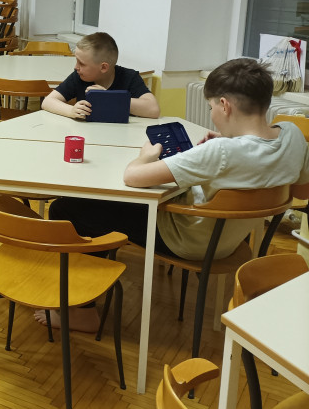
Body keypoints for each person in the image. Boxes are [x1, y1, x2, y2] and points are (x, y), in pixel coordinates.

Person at [43, 57, 309, 332]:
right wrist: (231, 151)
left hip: (186, 239)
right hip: (230, 240)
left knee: (70, 208)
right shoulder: (292, 136)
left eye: (210, 107)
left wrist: (144, 157)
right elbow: (301, 190)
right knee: (102, 209)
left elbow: (132, 177)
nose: (212, 114)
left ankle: (82, 311)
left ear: (224, 105)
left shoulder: (220, 152)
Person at [41, 32, 160, 119]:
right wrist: (71, 110)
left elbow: (153, 109)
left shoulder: (129, 77)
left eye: (82, 63)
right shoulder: (79, 76)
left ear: (103, 67)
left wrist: (109, 97)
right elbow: (47, 102)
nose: (76, 67)